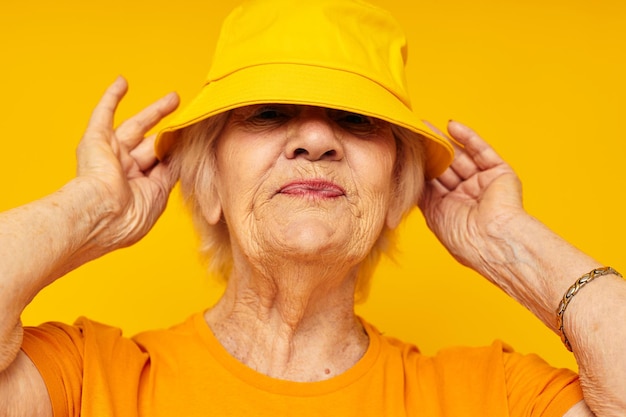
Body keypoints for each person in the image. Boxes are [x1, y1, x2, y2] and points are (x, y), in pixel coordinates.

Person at [0, 0, 624, 415]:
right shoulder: (89, 378)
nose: (317, 140)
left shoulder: (487, 396)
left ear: (397, 191)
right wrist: (88, 209)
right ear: (209, 183)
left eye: (356, 120)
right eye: (269, 113)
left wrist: (511, 245)